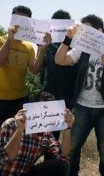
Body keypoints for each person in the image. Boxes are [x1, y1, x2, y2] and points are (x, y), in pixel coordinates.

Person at [55, 14, 104, 176]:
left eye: (87, 30)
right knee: (72, 148)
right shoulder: (81, 50)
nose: (83, 33)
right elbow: (60, 60)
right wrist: (67, 39)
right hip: (82, 108)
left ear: (100, 31)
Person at [0, 5, 51, 145]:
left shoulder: (28, 47)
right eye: (18, 19)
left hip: (20, 99)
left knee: (19, 139)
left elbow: (35, 70)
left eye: (25, 21)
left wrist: (42, 50)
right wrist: (9, 40)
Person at [0, 94, 74, 176]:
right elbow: (5, 158)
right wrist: (19, 131)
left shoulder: (46, 135)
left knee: (62, 167)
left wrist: (68, 128)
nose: (45, 115)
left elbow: (63, 155)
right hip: (0, 173)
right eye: (41, 109)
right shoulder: (10, 124)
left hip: (22, 173)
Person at [40, 10, 78, 154]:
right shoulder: (47, 43)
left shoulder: (76, 45)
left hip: (71, 96)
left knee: (71, 138)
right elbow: (38, 68)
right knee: (50, 140)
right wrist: (43, 47)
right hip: (51, 96)